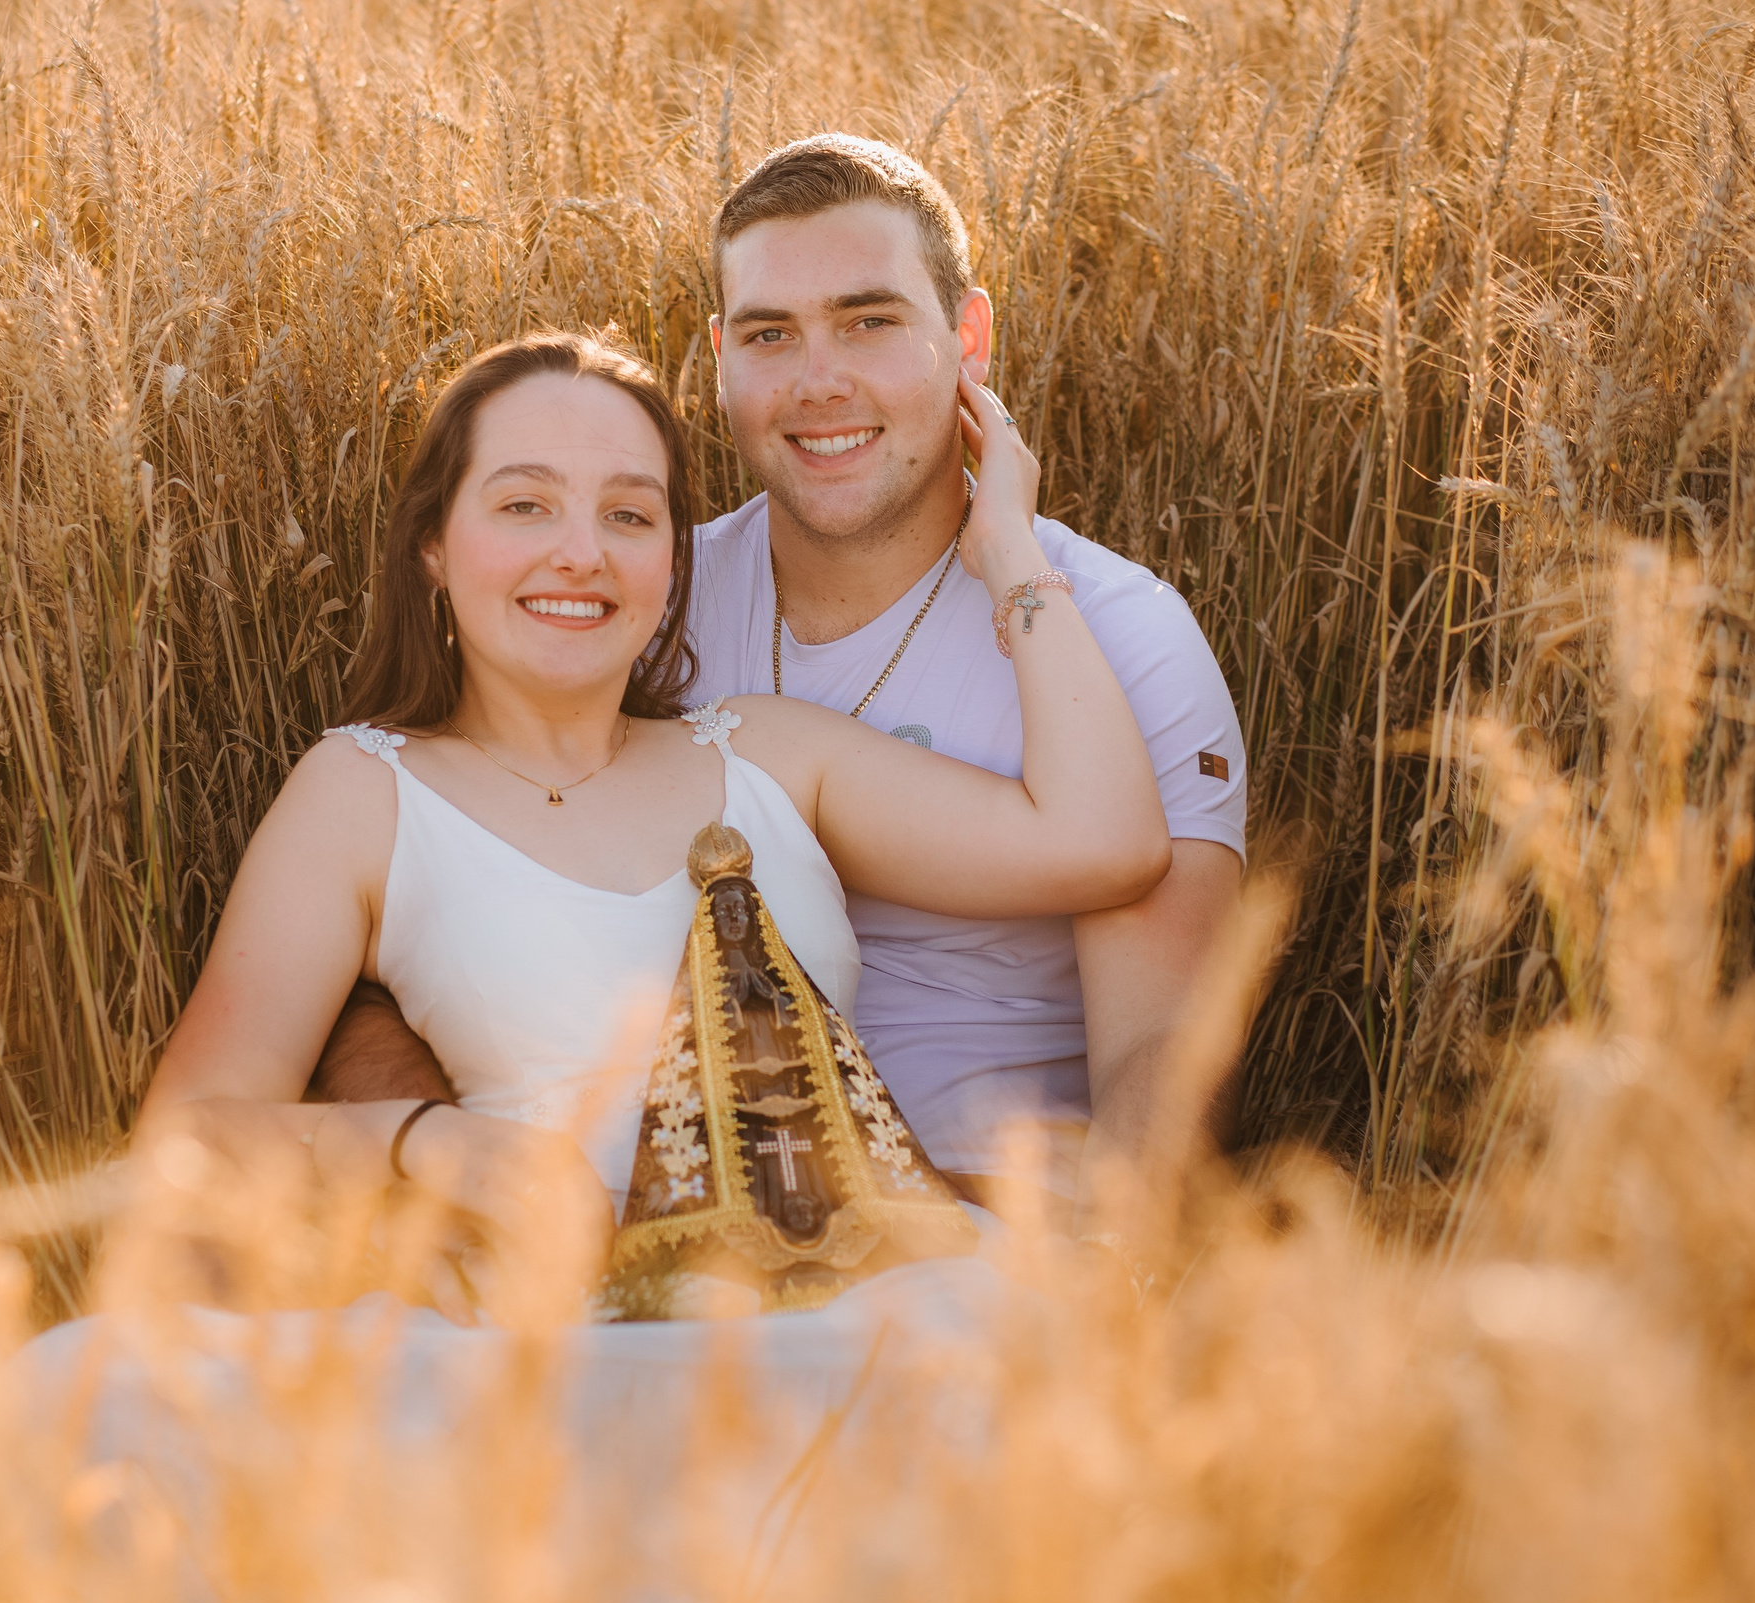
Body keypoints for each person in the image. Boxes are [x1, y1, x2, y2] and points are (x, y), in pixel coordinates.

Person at [117, 329, 1168, 1313]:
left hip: (874, 1297)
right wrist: (423, 1142)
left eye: (629, 514)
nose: (583, 553)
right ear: (434, 545)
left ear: (672, 561)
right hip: (573, 1326)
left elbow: (1102, 841)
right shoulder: (363, 791)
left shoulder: (765, 752)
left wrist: (1011, 552)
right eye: (524, 506)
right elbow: (189, 1136)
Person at [317, 135, 1249, 1213]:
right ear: (717, 358)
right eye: (770, 334)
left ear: (968, 337)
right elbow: (396, 896)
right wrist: (462, 1172)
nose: (818, 382)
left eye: (869, 321)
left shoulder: (1115, 636)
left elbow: (1164, 1055)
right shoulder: (633, 599)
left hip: (987, 1220)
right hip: (651, 1220)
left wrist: (1072, 1258)